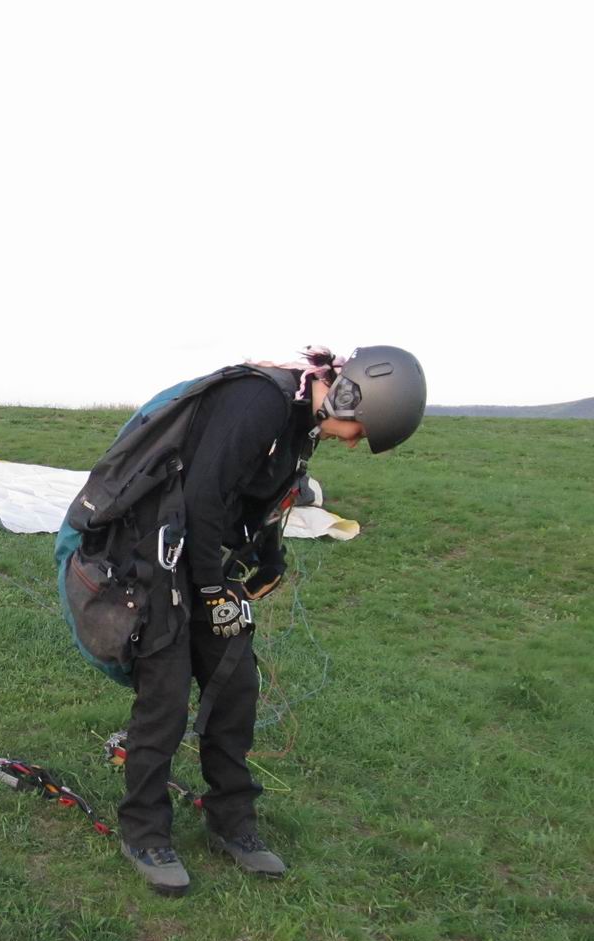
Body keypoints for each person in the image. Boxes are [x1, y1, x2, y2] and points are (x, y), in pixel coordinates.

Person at [59, 345, 426, 896]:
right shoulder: (258, 400)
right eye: (361, 430)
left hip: (202, 553)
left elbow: (258, 496)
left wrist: (269, 554)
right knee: (164, 695)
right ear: (352, 396)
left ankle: (232, 823)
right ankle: (144, 831)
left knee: (234, 689)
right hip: (152, 556)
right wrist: (212, 593)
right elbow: (202, 498)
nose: (353, 441)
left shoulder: (299, 418)